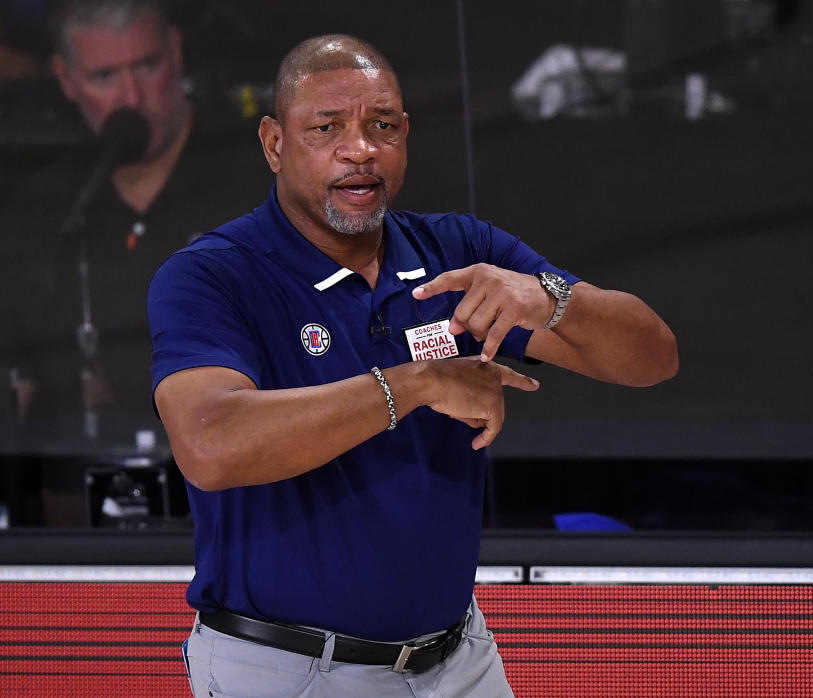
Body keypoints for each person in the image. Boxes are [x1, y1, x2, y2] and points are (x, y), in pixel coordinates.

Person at [149, 34, 677, 696]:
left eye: (382, 126)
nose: (360, 148)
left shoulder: (457, 249)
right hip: (288, 668)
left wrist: (550, 299)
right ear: (274, 143)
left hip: (458, 659)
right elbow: (210, 443)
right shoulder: (213, 276)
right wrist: (418, 383)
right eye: (327, 127)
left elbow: (652, 358)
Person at [1, 0, 271, 447]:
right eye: (104, 76)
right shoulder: (43, 212)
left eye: (146, 66)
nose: (131, 97)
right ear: (65, 80)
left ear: (175, 52)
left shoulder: (262, 181)